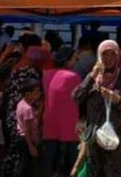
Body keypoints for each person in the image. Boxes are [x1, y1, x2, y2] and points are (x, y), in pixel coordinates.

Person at [73, 40, 121, 177]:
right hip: (95, 138)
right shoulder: (93, 78)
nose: (108, 59)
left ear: (117, 56)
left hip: (117, 137)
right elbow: (76, 97)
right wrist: (92, 76)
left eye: (112, 55)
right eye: (104, 55)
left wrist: (117, 99)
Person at [42, 45, 81, 177]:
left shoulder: (46, 74)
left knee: (49, 156)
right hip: (70, 121)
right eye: (75, 58)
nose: (76, 61)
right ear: (68, 60)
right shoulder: (73, 76)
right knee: (72, 158)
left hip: (49, 120)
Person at [14, 76, 42, 177]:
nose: (38, 94)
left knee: (24, 164)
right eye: (36, 91)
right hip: (26, 140)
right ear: (27, 93)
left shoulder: (21, 104)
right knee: (26, 167)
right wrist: (31, 146)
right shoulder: (27, 109)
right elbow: (27, 128)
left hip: (22, 138)